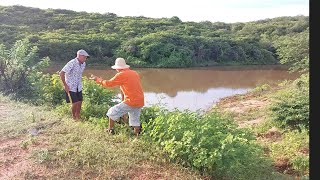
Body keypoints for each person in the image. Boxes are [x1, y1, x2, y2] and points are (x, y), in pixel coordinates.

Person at [90, 57, 144, 136]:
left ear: (118, 68)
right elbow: (126, 88)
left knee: (111, 112)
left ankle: (110, 130)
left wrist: (98, 80)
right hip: (139, 101)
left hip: (130, 101)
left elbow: (108, 84)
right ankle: (137, 136)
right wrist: (123, 101)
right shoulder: (134, 73)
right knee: (135, 120)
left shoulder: (121, 75)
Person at [59, 49, 89, 120]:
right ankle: (74, 118)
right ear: (79, 56)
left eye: (86, 57)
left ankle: (78, 116)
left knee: (80, 102)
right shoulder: (72, 63)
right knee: (74, 103)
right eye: (84, 57)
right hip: (71, 86)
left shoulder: (83, 64)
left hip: (78, 86)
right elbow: (61, 73)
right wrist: (65, 85)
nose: (85, 59)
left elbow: (78, 75)